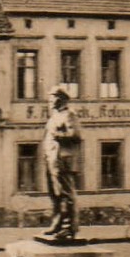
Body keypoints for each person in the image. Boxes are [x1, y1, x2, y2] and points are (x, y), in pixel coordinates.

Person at [40, 86, 82, 241]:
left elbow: (76, 135)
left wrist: (58, 134)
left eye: (52, 97)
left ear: (61, 98)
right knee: (55, 194)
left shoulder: (69, 114)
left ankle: (69, 228)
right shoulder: (54, 116)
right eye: (49, 97)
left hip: (63, 160)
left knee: (67, 194)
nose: (50, 100)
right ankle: (57, 224)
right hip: (52, 159)